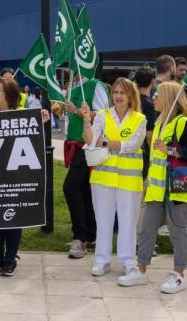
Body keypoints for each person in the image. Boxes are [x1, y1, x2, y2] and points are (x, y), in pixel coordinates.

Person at [119, 81, 187, 293]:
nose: (153, 99)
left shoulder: (183, 123)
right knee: (147, 230)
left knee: (178, 232)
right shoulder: (159, 123)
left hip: (177, 188)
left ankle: (179, 274)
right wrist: (148, 181)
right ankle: (141, 269)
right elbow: (156, 158)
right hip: (157, 189)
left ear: (168, 98)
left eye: (157, 95)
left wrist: (171, 150)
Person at [0, 76, 51, 276]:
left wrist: (40, 118)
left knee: (14, 218)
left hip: (16, 179)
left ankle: (10, 258)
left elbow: (33, 136)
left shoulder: (22, 116)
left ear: (7, 95)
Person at [81, 78, 147, 280]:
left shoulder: (140, 119)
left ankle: (128, 262)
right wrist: (86, 121)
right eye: (115, 92)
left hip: (129, 181)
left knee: (128, 222)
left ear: (130, 96)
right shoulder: (102, 115)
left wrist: (106, 142)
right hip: (103, 179)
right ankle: (102, 260)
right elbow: (91, 140)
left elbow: (132, 144)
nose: (118, 96)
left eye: (122, 93)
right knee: (103, 221)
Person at [61, 73, 109, 259]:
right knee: (83, 190)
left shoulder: (95, 85)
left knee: (70, 187)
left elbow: (104, 115)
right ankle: (90, 234)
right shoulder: (73, 85)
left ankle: (80, 237)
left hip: (88, 145)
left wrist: (75, 112)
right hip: (75, 145)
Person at [133, 67, 156, 180]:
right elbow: (149, 134)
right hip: (143, 153)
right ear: (152, 81)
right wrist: (154, 153)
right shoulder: (149, 105)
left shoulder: (131, 101)